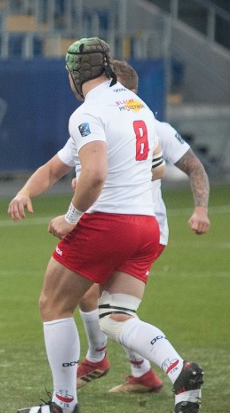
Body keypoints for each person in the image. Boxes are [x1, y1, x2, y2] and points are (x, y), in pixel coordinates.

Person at [6, 38, 203, 413]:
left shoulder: (89, 111)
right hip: (145, 226)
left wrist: (71, 216)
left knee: (53, 304)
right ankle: (177, 369)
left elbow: (93, 174)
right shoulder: (136, 105)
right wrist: (26, 191)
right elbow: (58, 166)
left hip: (106, 222)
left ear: (76, 74)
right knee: (116, 316)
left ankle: (63, 405)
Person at [66, 61, 211, 394]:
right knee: (105, 303)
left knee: (98, 301)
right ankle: (141, 372)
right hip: (127, 225)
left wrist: (200, 209)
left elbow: (194, 166)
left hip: (140, 227)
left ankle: (103, 359)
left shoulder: (152, 125)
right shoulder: (107, 122)